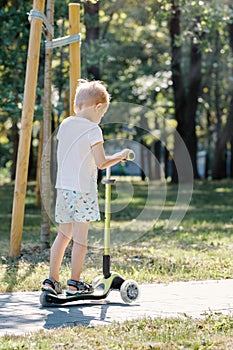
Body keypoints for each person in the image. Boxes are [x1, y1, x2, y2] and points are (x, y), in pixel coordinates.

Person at [42, 79, 131, 295]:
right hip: (83, 191)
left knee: (63, 235)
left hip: (63, 190)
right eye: (102, 115)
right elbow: (101, 163)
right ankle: (74, 282)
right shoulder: (93, 129)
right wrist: (119, 156)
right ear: (98, 107)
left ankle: (52, 280)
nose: (100, 119)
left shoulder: (65, 125)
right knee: (80, 240)